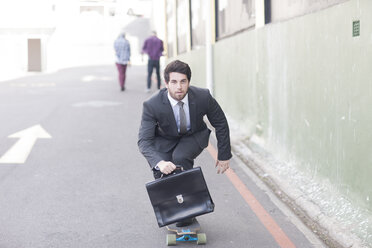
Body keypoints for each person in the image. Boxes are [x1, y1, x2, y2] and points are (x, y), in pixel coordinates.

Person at [138, 60, 232, 226]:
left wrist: (224, 155)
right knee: (163, 171)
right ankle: (171, 209)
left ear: (189, 81)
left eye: (183, 81)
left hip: (194, 135)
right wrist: (159, 162)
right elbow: (144, 141)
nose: (179, 87)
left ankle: (189, 212)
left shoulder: (203, 96)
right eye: (173, 82)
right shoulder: (152, 105)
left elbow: (221, 123)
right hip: (165, 139)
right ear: (166, 83)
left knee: (180, 157)